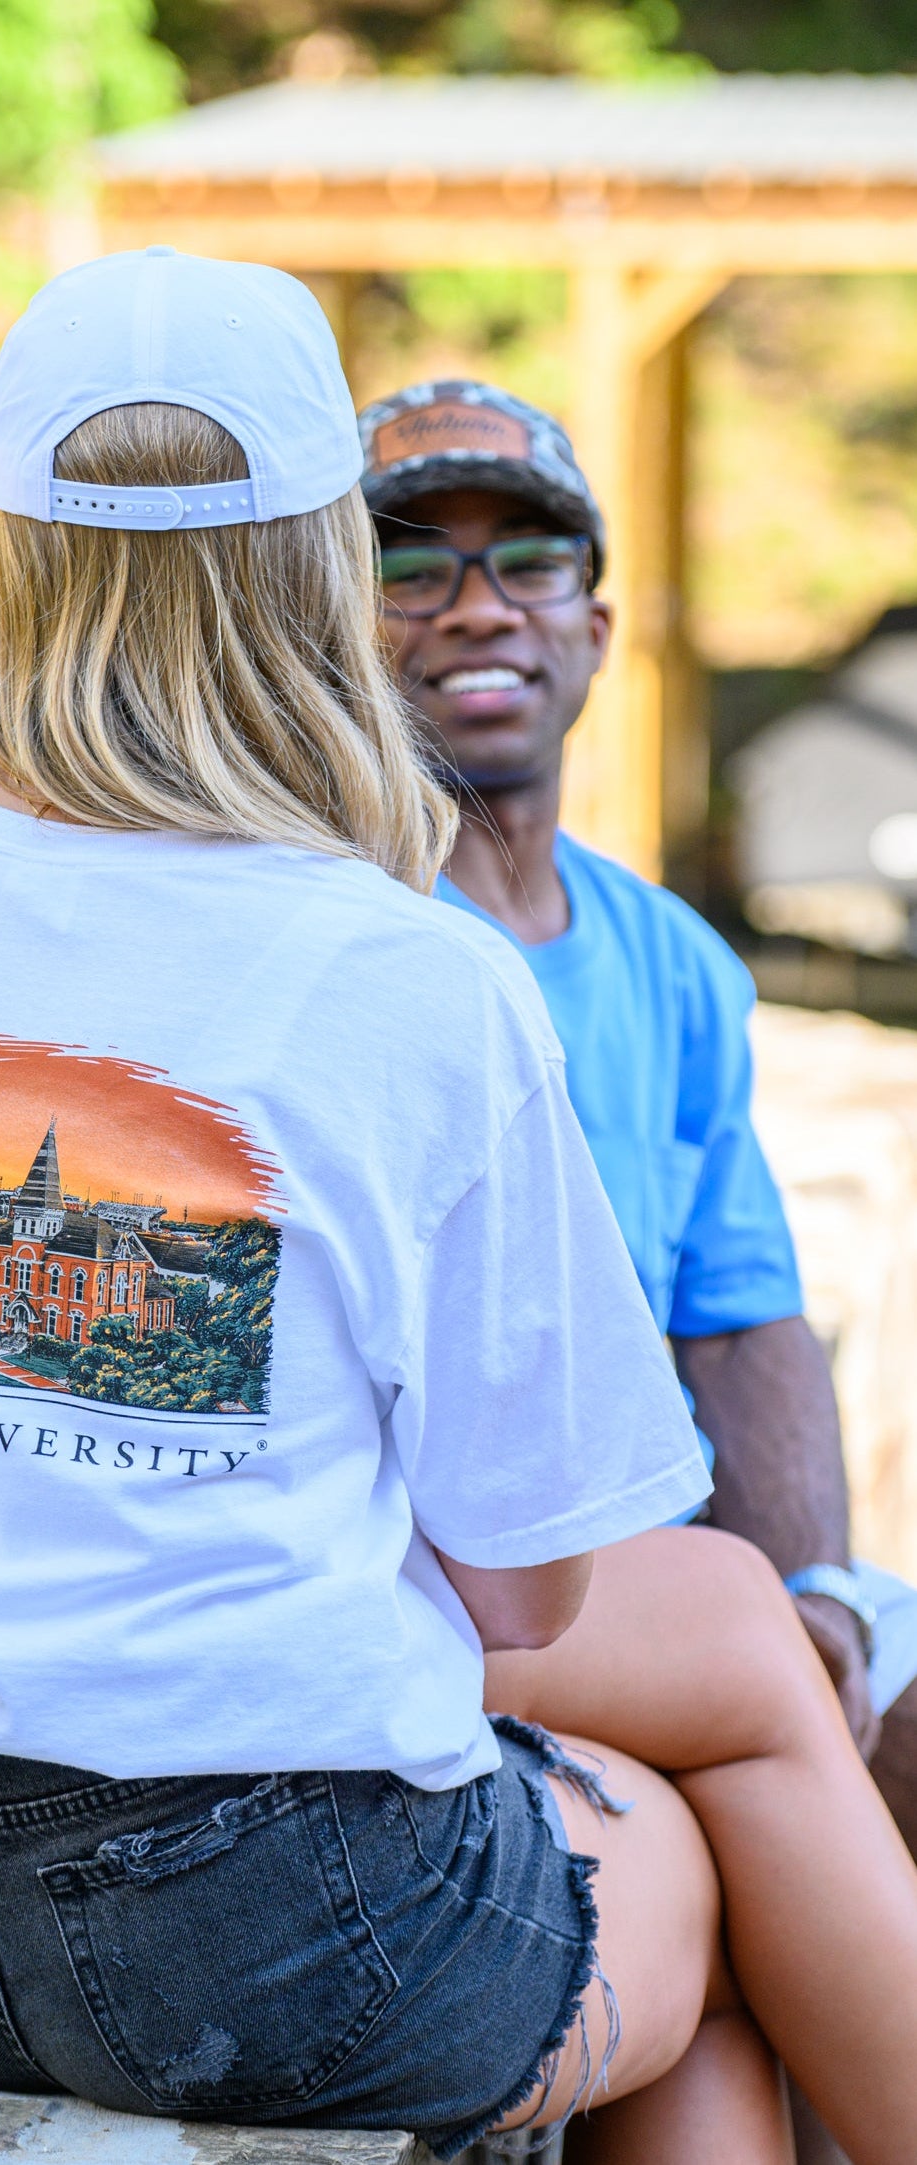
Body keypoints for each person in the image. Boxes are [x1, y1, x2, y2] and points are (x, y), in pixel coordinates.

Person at [0, 252, 917, 2165]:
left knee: (690, 1751)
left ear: (1, 560)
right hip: (294, 1938)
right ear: (320, 571)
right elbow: (526, 1586)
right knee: (706, 1881)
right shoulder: (414, 975)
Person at [359, 374, 917, 2159]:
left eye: (528, 560)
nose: (476, 606)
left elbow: (743, 1320)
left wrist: (816, 1585)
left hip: (665, 1590)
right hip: (464, 1589)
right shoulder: (352, 936)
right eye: (412, 566)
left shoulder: (673, 958)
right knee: (744, 1760)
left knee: (866, 1693)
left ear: (596, 624)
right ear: (331, 625)